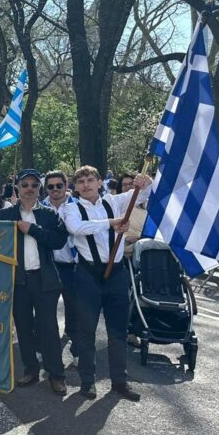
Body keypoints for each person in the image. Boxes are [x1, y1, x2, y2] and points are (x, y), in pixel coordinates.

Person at [61, 166, 151, 402]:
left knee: (118, 330)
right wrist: (111, 223)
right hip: (88, 274)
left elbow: (142, 194)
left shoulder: (113, 201)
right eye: (80, 182)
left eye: (90, 180)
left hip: (117, 273)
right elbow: (76, 228)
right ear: (75, 187)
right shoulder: (71, 208)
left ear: (100, 182)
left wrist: (145, 181)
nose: (86, 185)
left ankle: (120, 382)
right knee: (86, 330)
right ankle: (88, 382)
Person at [0, 170, 69, 395]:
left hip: (45, 280)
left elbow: (58, 240)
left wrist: (32, 230)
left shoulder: (48, 215)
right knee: (24, 328)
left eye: (34, 185)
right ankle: (31, 369)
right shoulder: (4, 215)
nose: (29, 189)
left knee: (48, 328)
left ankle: (56, 374)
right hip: (18, 281)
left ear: (40, 189)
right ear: (16, 187)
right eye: (24, 184)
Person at [40, 171, 79, 361]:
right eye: (50, 186)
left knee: (74, 306)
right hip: (48, 264)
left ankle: (74, 343)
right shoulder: (39, 208)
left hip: (72, 264)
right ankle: (46, 347)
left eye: (59, 186)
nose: (55, 190)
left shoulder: (78, 206)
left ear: (66, 185)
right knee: (46, 308)